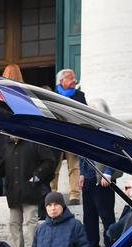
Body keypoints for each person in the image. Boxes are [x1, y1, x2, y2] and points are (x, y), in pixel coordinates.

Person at [0, 136, 57, 247]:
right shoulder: (7, 146)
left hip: (30, 191)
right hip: (13, 192)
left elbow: (49, 161)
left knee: (30, 222)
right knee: (14, 223)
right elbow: (2, 169)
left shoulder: (34, 142)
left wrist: (37, 176)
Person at [52, 69, 86, 204]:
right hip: (57, 135)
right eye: (71, 78)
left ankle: (74, 195)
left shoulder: (79, 95)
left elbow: (84, 115)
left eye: (74, 78)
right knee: (54, 166)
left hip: (72, 135)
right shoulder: (52, 95)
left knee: (74, 166)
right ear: (62, 81)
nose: (74, 81)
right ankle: (52, 193)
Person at [78, 156, 119, 247]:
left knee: (107, 218)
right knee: (89, 219)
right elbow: (81, 153)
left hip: (103, 178)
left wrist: (108, 172)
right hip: (88, 179)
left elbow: (112, 153)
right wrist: (82, 173)